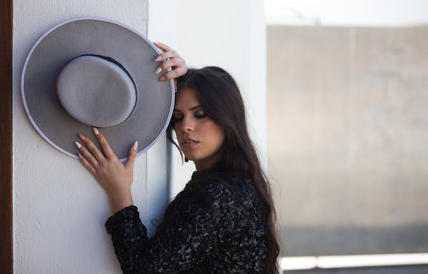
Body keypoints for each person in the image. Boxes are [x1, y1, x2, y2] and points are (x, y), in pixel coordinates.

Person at [75, 43, 281, 273]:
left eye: (200, 114)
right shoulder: (240, 184)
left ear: (227, 118)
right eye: (178, 117)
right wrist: (179, 78)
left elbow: (146, 270)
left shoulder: (216, 195)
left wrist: (119, 191)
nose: (186, 127)